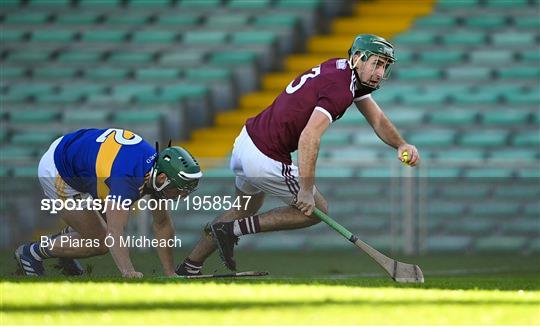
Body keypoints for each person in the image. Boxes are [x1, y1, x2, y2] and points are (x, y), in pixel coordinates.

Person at [175, 34, 420, 275]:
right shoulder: (340, 88)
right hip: (265, 156)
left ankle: (190, 266)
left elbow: (376, 118)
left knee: (243, 209)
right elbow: (309, 137)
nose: (380, 72)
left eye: (385, 66)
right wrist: (305, 188)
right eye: (376, 63)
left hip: (246, 141)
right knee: (315, 210)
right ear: (358, 58)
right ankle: (231, 231)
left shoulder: (342, 70)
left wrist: (400, 144)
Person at [15, 128, 202, 278]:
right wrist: (128, 272)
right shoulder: (127, 178)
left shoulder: (154, 170)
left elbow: (162, 224)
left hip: (81, 156)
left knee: (99, 228)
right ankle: (32, 252)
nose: (181, 195)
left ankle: (66, 250)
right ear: (162, 178)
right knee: (101, 241)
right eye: (179, 189)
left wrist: (170, 273)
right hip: (59, 168)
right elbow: (115, 233)